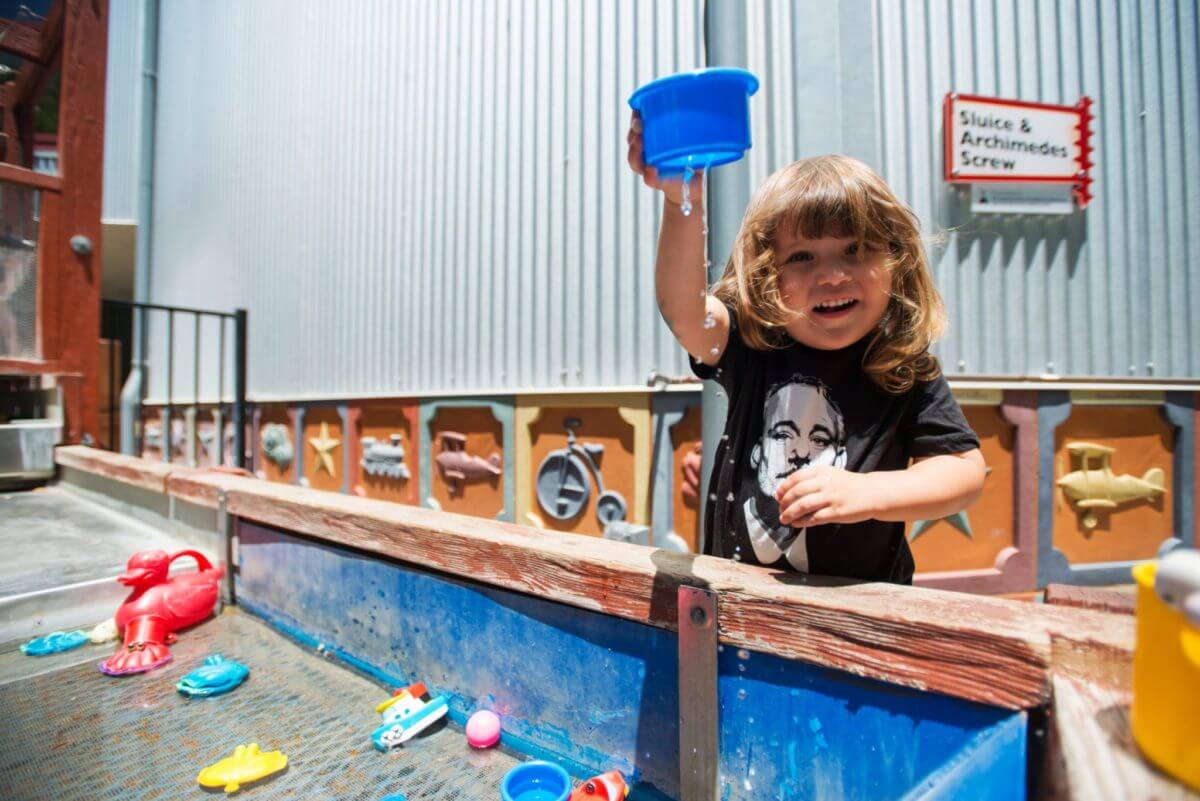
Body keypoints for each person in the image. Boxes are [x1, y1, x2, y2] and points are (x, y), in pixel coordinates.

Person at [626, 114, 985, 583]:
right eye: (802, 257)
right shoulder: (755, 344)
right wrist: (682, 199)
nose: (833, 274)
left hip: (859, 619)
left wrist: (868, 493)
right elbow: (684, 310)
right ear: (767, 275)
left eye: (855, 250)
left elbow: (964, 472)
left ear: (896, 262)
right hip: (739, 609)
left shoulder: (902, 366)